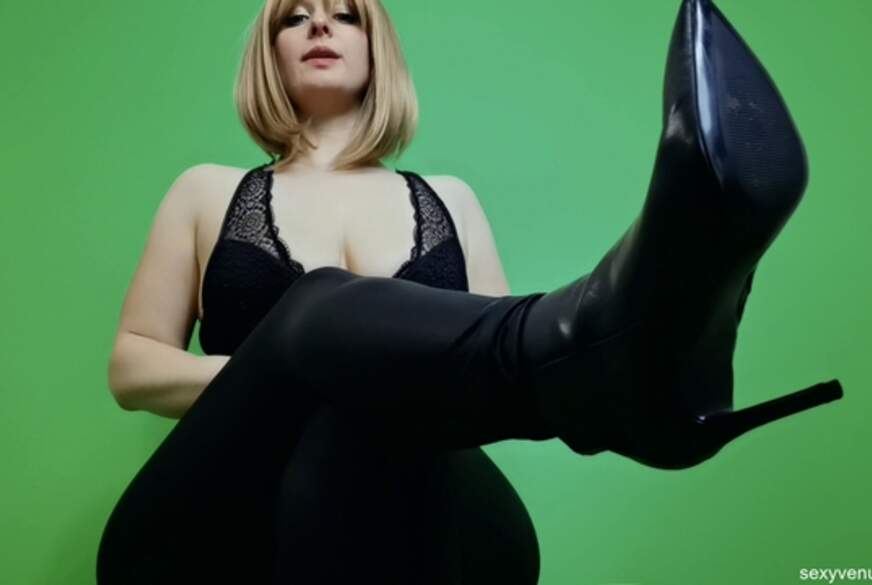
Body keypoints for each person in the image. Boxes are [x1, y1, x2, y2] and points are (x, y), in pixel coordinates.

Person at [96, 0, 843, 584]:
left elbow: (482, 393)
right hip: (212, 529)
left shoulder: (449, 200)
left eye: (346, 14)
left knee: (381, 405)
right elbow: (132, 366)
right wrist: (297, 369)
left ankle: (606, 356)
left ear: (377, 48)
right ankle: (622, 353)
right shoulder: (207, 191)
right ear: (270, 53)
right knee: (321, 312)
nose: (320, 24)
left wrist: (359, 379)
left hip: (441, 527)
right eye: (295, 17)